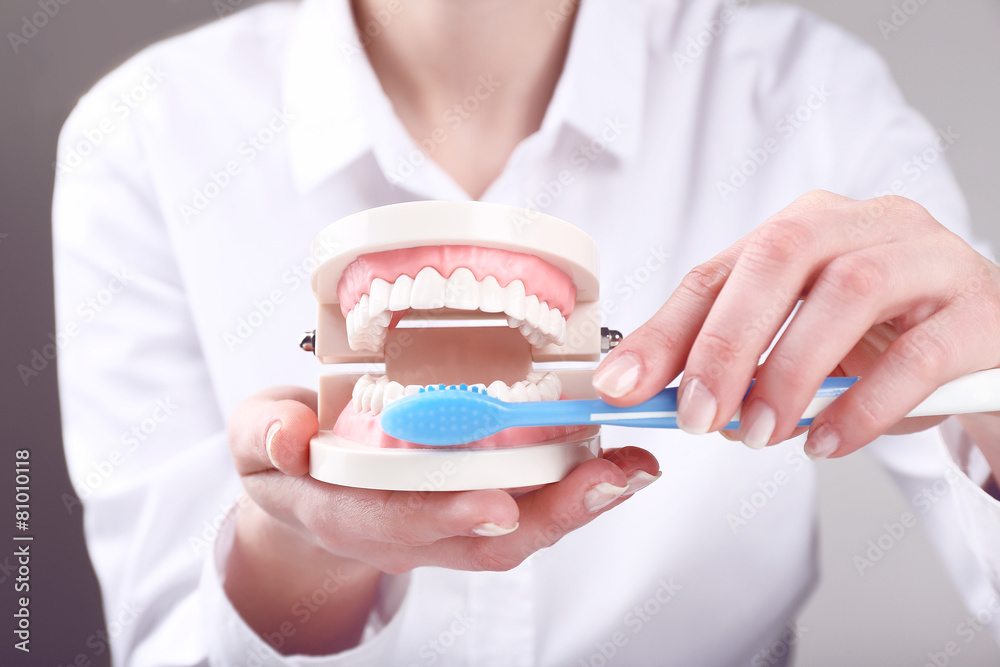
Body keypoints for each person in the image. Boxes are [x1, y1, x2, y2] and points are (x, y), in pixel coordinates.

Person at [53, 0, 1000, 664]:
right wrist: (293, 560)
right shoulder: (142, 137)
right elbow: (163, 645)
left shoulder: (817, 96)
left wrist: (994, 385)